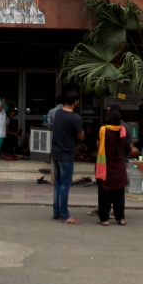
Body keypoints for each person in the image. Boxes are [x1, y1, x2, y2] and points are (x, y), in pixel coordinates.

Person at [51, 90, 85, 225]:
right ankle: (65, 215)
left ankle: (56, 211)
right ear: (76, 101)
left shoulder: (57, 113)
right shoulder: (75, 118)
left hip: (56, 153)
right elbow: (81, 136)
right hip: (67, 153)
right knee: (65, 184)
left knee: (58, 183)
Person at [95, 108, 128, 226]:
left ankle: (104, 219)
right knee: (119, 193)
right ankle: (121, 218)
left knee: (105, 192)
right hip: (119, 165)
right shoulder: (122, 130)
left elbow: (98, 145)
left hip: (106, 165)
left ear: (108, 118)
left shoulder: (103, 130)